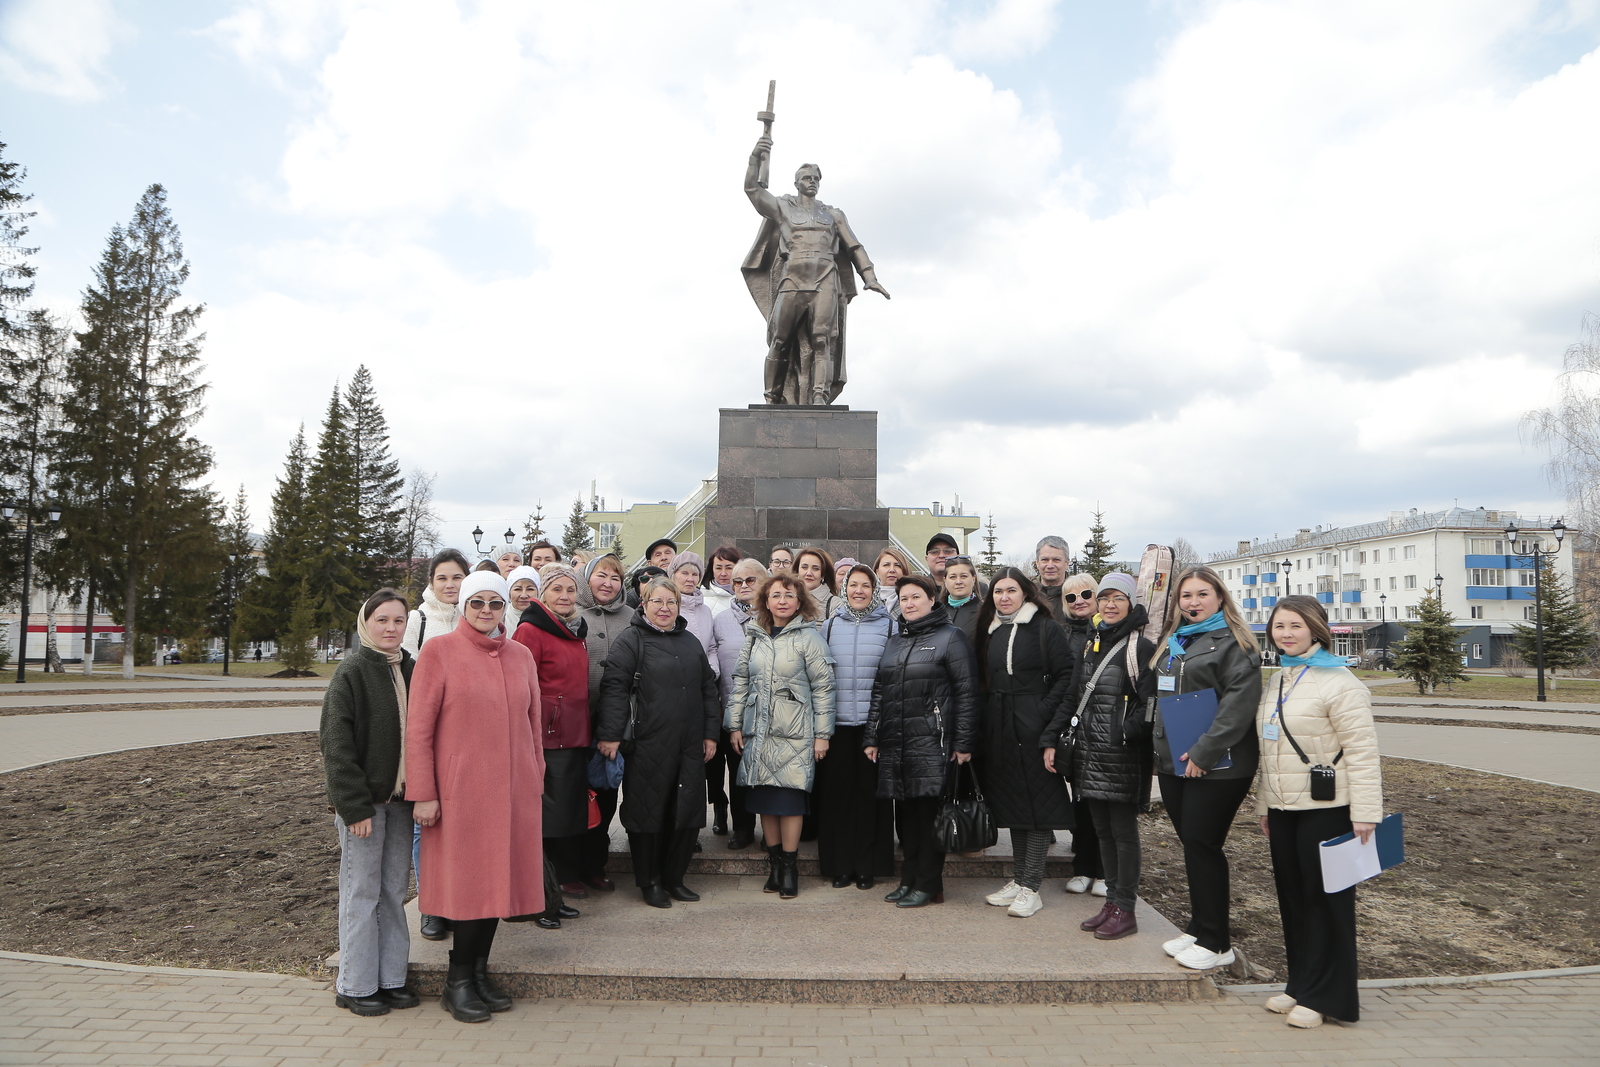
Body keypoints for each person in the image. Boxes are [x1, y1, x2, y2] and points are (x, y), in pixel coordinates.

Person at [406, 571, 544, 1022]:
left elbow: (532, 724)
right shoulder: (438, 652)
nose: (487, 611)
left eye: (496, 603)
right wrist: (423, 793)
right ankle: (457, 980)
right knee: (470, 887)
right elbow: (419, 730)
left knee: (497, 884)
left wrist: (535, 777)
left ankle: (479, 972)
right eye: (477, 602)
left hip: (512, 792)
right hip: (461, 794)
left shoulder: (521, 655)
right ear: (463, 605)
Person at [1256, 595, 1382, 1029]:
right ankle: (1301, 984)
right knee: (1293, 898)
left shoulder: (1339, 681)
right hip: (1285, 807)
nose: (1286, 634)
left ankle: (1330, 996)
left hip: (1330, 809)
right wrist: (1265, 804)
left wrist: (1366, 813)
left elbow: (1364, 752)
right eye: (1279, 626)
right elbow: (1269, 748)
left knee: (1327, 901)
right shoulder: (1280, 678)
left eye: (1294, 626)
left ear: (1315, 628)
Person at [1151, 567, 1263, 971]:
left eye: (1202, 594)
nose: (1193, 602)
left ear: (1220, 597)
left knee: (1203, 844)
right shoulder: (1175, 641)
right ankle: (1200, 928)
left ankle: (1217, 942)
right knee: (1192, 844)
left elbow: (1237, 709)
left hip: (1218, 765)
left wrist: (1204, 753)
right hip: (1174, 760)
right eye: (1186, 596)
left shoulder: (1237, 644)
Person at [320, 589, 419, 1017]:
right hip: (365, 807)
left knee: (394, 891)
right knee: (362, 892)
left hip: (401, 803)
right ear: (366, 623)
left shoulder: (413, 669)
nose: (391, 628)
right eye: (382, 620)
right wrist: (353, 807)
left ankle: (392, 978)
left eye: (398, 621)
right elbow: (336, 745)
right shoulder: (352, 672)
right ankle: (355, 984)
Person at [1043, 572, 1156, 941]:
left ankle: (1126, 906)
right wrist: (1052, 737)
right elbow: (1075, 694)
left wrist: (1125, 731)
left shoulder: (1141, 647)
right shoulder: (1094, 640)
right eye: (1105, 598)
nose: (1109, 604)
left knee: (1123, 834)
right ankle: (1111, 903)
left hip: (1121, 756)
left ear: (1130, 603)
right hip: (1090, 754)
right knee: (1103, 832)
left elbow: (1151, 704)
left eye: (1117, 598)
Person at [595, 577, 720, 908]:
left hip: (689, 745)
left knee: (687, 813)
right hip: (648, 744)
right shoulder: (632, 640)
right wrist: (609, 735)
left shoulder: (691, 642)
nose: (665, 608)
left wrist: (710, 733)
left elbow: (708, 690)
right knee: (647, 813)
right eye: (658, 602)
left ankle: (674, 878)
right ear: (644, 604)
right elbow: (614, 688)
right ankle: (649, 881)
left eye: (672, 602)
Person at [864, 574, 979, 908]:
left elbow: (968, 694)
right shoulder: (896, 639)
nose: (909, 604)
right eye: (904, 599)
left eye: (916, 597)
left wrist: (963, 743)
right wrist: (872, 736)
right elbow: (880, 691)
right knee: (907, 817)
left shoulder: (951, 638)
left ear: (932, 599)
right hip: (898, 744)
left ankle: (929, 884)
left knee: (928, 818)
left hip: (934, 743)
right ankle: (909, 879)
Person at [973, 569, 1075, 919]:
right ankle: (1019, 879)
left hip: (1034, 728)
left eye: (1011, 590)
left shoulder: (1046, 628)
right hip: (1000, 728)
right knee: (1015, 805)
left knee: (1037, 808)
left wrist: (1041, 713)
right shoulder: (990, 632)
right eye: (998, 591)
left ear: (1026, 593)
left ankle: (1032, 886)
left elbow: (1067, 677)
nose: (1004, 597)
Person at [728, 573, 836, 900]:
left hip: (795, 732)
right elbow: (741, 682)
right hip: (759, 730)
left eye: (789, 595)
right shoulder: (755, 636)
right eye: (776, 595)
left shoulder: (810, 638)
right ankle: (774, 866)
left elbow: (824, 688)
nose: (783, 601)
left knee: (789, 801)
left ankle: (790, 867)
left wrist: (822, 735)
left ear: (799, 600)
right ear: (766, 600)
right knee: (766, 802)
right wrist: (734, 725)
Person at [512, 563, 593, 922]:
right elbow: (519, 686)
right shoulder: (531, 630)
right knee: (545, 823)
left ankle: (553, 892)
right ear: (543, 594)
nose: (564, 596)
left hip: (573, 737)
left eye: (570, 590)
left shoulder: (574, 629)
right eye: (557, 589)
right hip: (546, 740)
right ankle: (538, 899)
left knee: (563, 820)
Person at [400, 548, 469, 941]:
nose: (449, 585)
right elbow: (408, 670)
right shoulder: (418, 619)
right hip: (426, 728)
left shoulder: (474, 615)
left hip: (462, 735)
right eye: (441, 578)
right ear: (430, 582)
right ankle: (431, 905)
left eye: (456, 577)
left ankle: (456, 899)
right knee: (422, 822)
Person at [817, 563, 895, 889]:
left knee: (870, 797)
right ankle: (840, 865)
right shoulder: (830, 626)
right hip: (836, 725)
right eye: (853, 585)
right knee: (837, 797)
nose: (859, 591)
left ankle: (868, 865)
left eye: (865, 585)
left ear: (874, 589)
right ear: (844, 588)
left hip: (872, 725)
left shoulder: (890, 626)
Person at [576, 553, 634, 892]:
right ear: (587, 579)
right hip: (575, 720)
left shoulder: (631, 617)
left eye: (614, 577)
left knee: (606, 791)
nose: (608, 583)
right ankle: (572, 866)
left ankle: (596, 864)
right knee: (577, 795)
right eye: (601, 575)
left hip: (616, 721)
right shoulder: (572, 614)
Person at [710, 557, 769, 849]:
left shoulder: (776, 614)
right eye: (737, 581)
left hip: (771, 711)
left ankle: (772, 829)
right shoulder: (720, 619)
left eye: (750, 580)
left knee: (769, 772)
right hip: (733, 709)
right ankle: (743, 828)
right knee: (738, 772)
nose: (743, 586)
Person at [1056, 572, 1105, 897]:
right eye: (1071, 597)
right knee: (1082, 799)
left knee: (1103, 802)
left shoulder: (1109, 631)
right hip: (1073, 726)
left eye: (1086, 594)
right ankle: (1083, 866)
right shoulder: (1061, 633)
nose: (1079, 601)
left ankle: (1104, 870)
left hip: (1103, 727)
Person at [669, 552, 719, 669]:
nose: (690, 579)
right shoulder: (666, 608)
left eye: (695, 574)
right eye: (685, 573)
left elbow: (711, 647)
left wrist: (712, 671)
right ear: (673, 575)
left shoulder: (705, 610)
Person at [939, 556, 983, 642]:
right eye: (953, 577)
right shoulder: (937, 612)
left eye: (963, 576)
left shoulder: (985, 611)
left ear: (973, 579)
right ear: (945, 580)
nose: (958, 581)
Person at [794, 546, 842, 618]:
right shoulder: (787, 598)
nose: (809, 573)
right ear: (797, 570)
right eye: (804, 567)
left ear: (823, 574)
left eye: (815, 569)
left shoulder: (835, 603)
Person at [1034, 536, 1071, 622]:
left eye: (1056, 560)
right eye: (1045, 560)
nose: (1050, 566)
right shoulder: (1027, 594)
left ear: (1067, 563)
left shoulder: (1080, 595)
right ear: (1037, 563)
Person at [872, 547, 914, 616]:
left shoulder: (913, 599)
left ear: (905, 571)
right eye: (886, 565)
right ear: (877, 572)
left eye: (897, 565)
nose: (892, 570)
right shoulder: (867, 599)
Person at [703, 545, 742, 617]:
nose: (723, 573)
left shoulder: (748, 597)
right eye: (718, 568)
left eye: (729, 568)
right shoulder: (702, 599)